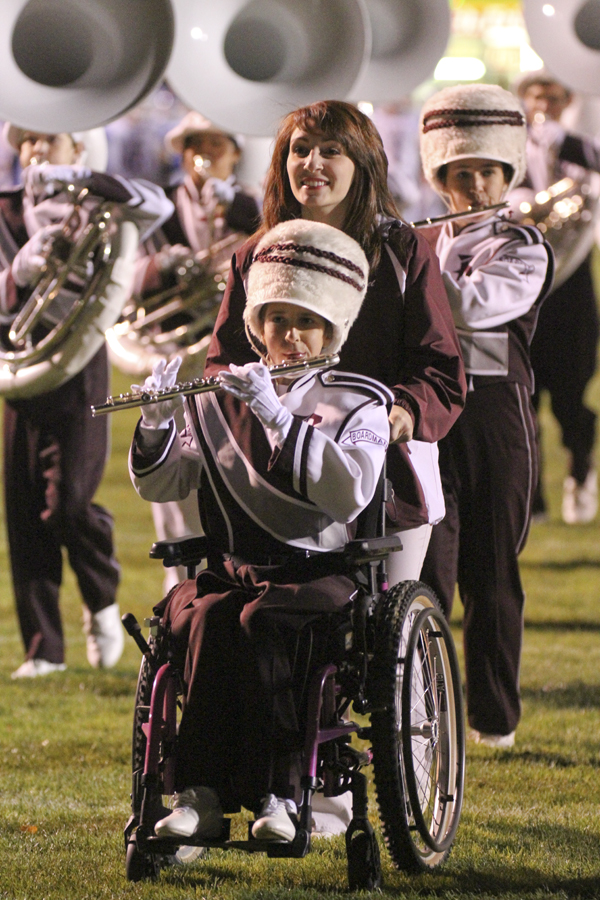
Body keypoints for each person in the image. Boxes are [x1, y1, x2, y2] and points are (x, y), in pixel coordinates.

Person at [129, 219, 392, 842]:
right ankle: (199, 796)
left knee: (260, 620)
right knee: (206, 616)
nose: (291, 335)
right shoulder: (215, 398)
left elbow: (350, 491)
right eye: (277, 319)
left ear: (331, 329)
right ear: (256, 325)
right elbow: (167, 484)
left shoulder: (361, 401)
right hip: (232, 573)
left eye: (306, 322)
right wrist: (157, 423)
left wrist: (278, 418)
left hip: (316, 574)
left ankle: (283, 793)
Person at [205, 99, 466, 589]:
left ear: (361, 163)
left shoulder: (401, 250)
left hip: (389, 476)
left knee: (386, 623)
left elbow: (440, 369)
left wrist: (400, 413)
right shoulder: (256, 255)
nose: (313, 163)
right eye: (300, 149)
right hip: (277, 475)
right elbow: (225, 365)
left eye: (331, 151)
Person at [1, 124, 174, 678]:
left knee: (69, 501)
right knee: (24, 510)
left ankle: (100, 596)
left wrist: (83, 180)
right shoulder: (5, 210)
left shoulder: (99, 201)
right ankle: (44, 650)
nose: (35, 150)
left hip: (80, 364)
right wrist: (18, 273)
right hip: (18, 362)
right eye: (27, 141)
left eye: (48, 139)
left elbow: (157, 203)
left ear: (77, 149)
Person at [417, 84, 554, 748]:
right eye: (460, 172)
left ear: (507, 174)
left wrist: (405, 269)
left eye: (487, 172)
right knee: (426, 571)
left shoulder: (525, 244)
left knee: (492, 571)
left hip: (495, 417)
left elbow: (471, 307)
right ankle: (420, 713)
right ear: (440, 179)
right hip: (428, 415)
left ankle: (493, 720)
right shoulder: (421, 242)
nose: (474, 185)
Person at [132, 111, 261, 589]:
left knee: (237, 467)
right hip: (175, 350)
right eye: (193, 145)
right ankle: (179, 591)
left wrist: (240, 211)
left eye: (215, 144)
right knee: (174, 470)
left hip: (238, 358)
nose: (202, 155)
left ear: (236, 152)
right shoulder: (159, 205)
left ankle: (234, 579)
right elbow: (127, 273)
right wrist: (161, 266)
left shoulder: (256, 204)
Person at [512, 70, 600, 524]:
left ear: (567, 102)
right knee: (523, 395)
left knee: (572, 394)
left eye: (553, 97)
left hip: (573, 284)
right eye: (535, 96)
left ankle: (580, 472)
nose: (543, 105)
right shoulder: (512, 146)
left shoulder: (580, 148)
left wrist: (566, 143)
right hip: (525, 285)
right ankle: (533, 497)